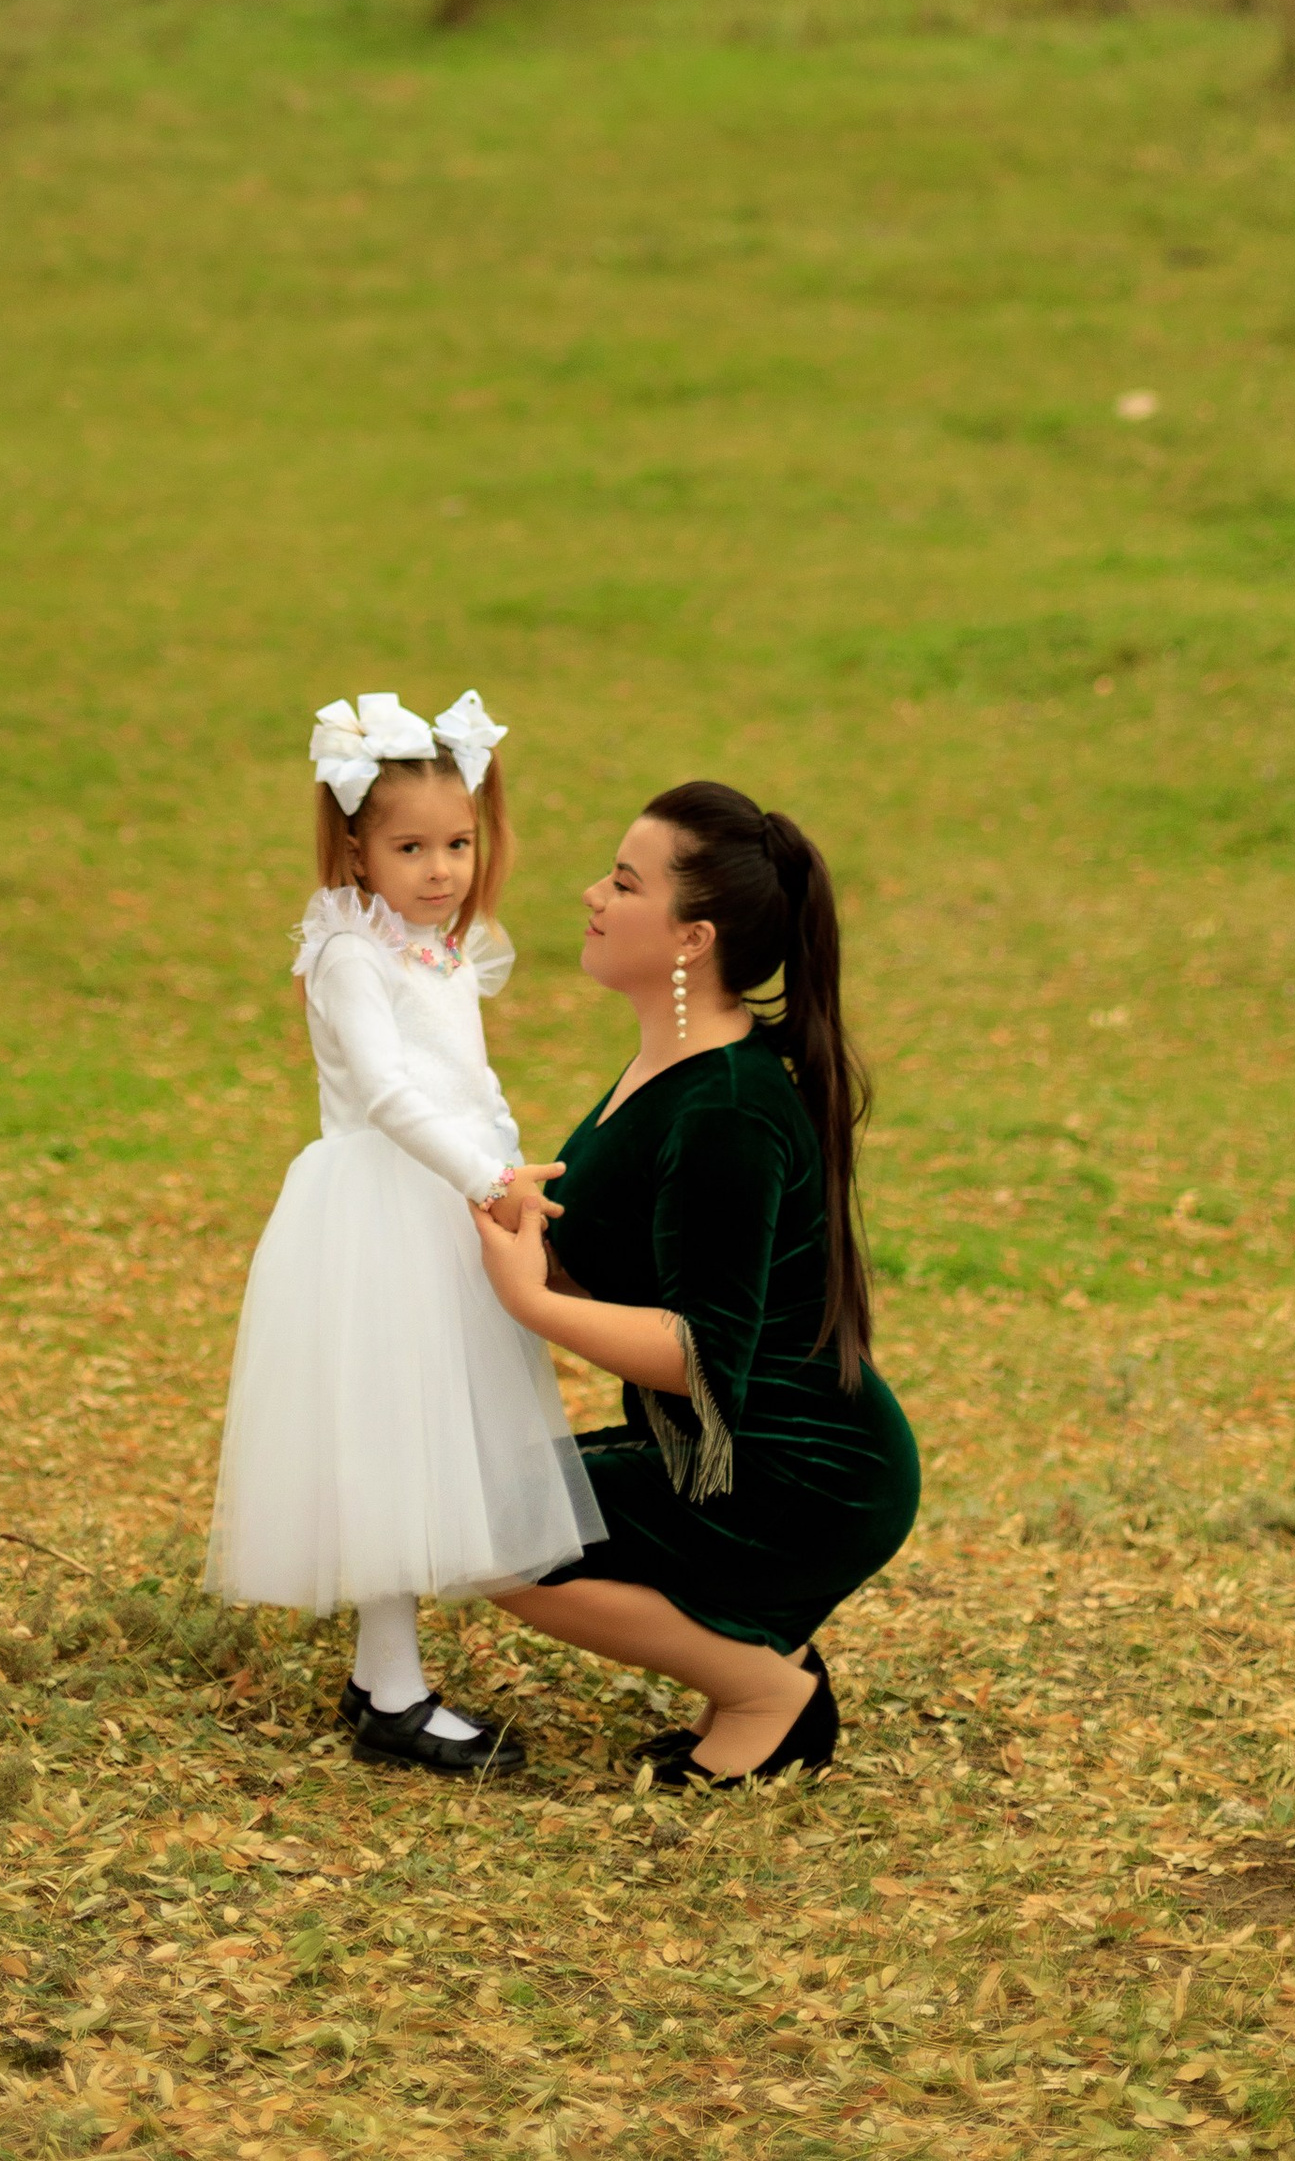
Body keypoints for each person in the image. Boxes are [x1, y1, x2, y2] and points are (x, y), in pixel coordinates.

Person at [470, 782, 921, 1788]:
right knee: (481, 1506)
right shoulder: (674, 1066)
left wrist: (531, 1301)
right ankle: (763, 1675)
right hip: (730, 1450)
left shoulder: (727, 1110)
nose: (591, 893)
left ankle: (770, 1691)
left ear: (691, 940)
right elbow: (634, 1256)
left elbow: (697, 1355)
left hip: (799, 1473)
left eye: (624, 883)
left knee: (486, 1533)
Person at [205, 690, 599, 1776]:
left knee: (432, 1431)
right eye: (411, 846)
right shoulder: (348, 954)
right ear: (354, 846)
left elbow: (466, 1078)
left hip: (445, 1204)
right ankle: (391, 1689)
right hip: (381, 1209)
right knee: (387, 1436)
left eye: (459, 843)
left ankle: (390, 1671)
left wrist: (506, 1166)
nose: (440, 869)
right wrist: (480, 1173)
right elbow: (383, 1088)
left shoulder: (440, 948)